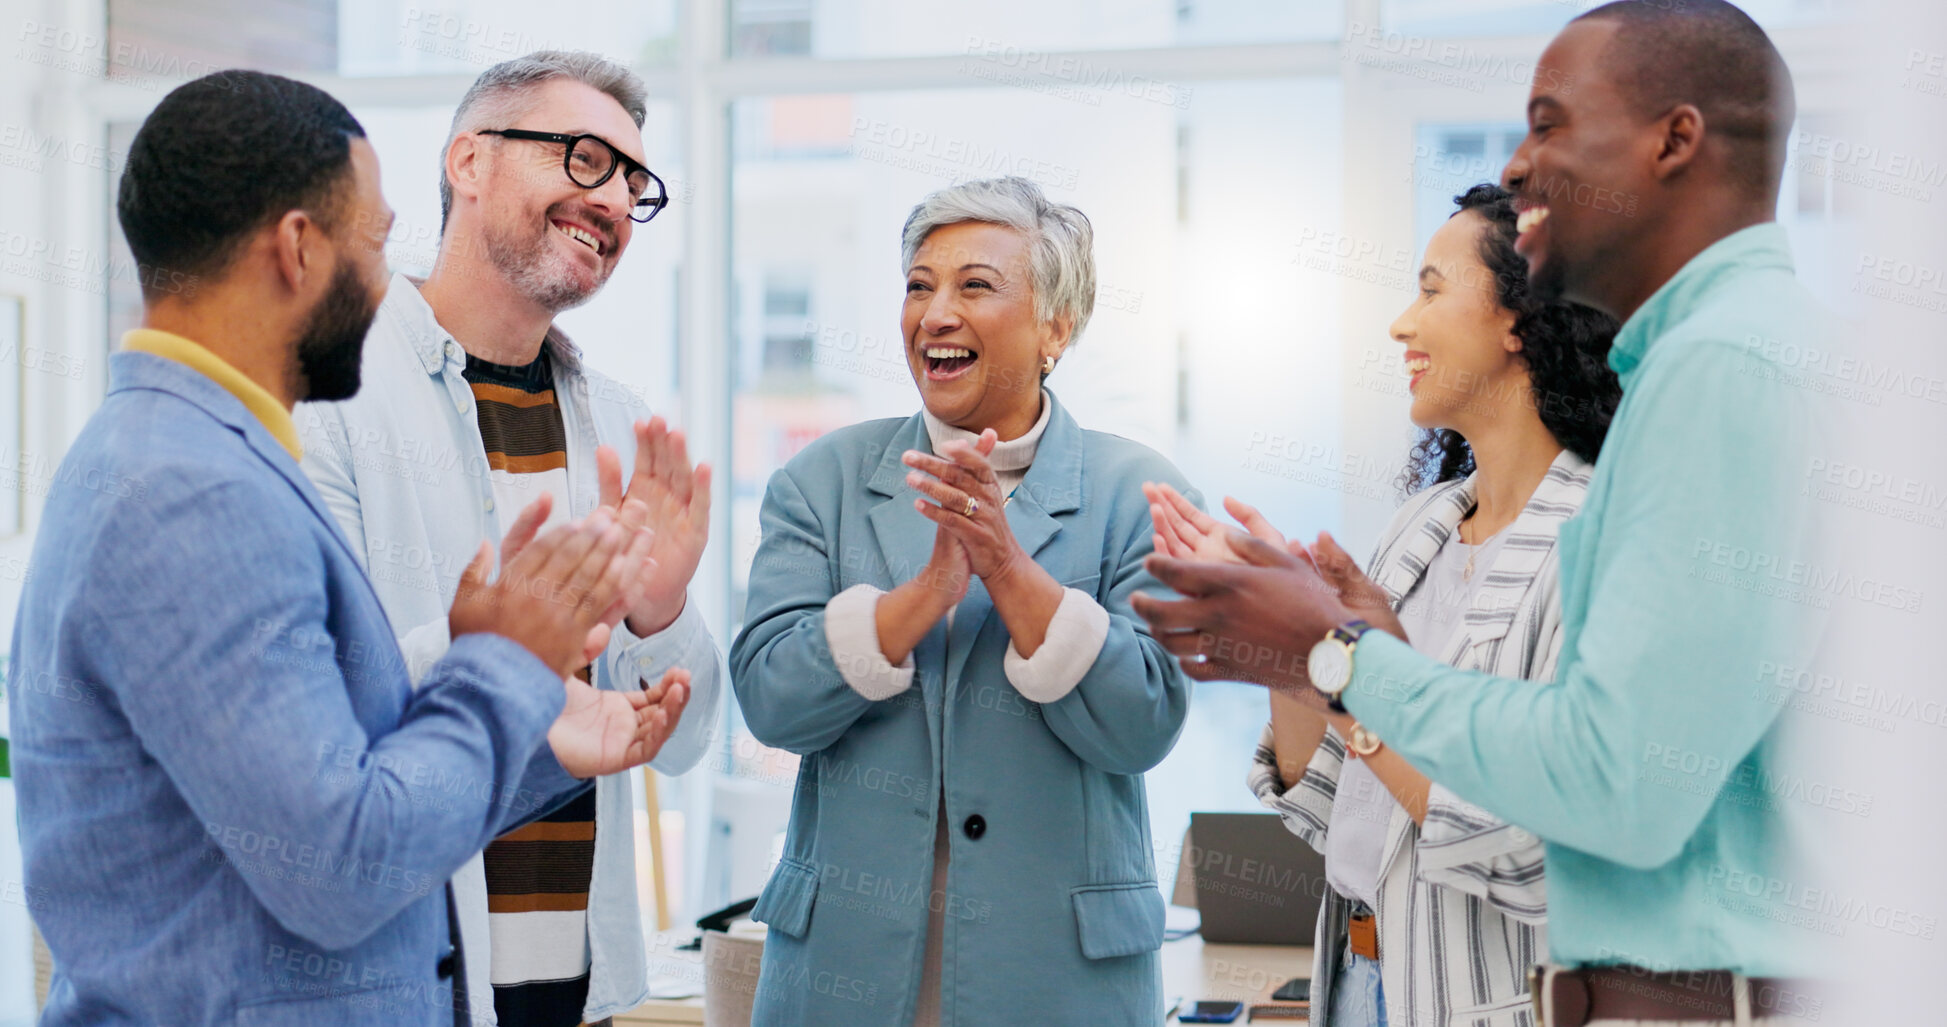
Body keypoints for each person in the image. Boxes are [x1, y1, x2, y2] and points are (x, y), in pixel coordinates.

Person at [1131, 3, 1828, 1024]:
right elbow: (1347, 808)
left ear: (1676, 139)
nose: (1516, 165)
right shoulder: (1719, 363)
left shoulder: (1720, 367)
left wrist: (1343, 656)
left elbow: (1602, 787)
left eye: (1548, 124)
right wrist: (1311, 661)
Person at [7, 70, 679, 1027]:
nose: (383, 281)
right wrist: (502, 664)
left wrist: (541, 736)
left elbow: (331, 798)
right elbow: (339, 867)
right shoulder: (192, 493)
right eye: (373, 242)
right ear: (296, 250)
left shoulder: (188, 456)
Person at [295, 51, 722, 1027]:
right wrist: (506, 651)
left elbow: (688, 742)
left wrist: (658, 612)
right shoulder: (330, 391)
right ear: (469, 163)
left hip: (579, 993)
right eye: (583, 158)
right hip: (407, 983)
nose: (614, 199)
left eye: (632, 182)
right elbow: (312, 704)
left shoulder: (621, 425)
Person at [1145, 183, 1620, 1027]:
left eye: (1431, 288)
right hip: (1356, 978)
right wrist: (1286, 656)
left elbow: (1526, 845)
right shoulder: (1422, 527)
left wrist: (1331, 662)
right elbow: (1321, 803)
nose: (1402, 323)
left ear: (1519, 319)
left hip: (1486, 1000)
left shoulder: (1593, 543)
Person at [730, 176, 1196, 1024]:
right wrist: (925, 595)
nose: (934, 313)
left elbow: (1143, 723)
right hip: (843, 976)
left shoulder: (1141, 492)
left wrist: (1008, 569)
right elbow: (770, 699)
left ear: (1057, 326)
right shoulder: (821, 479)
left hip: (1058, 983)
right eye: (918, 285)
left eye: (974, 285)